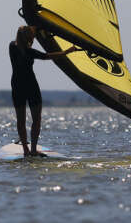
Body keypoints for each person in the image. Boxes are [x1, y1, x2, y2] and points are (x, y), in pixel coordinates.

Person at [9, 26, 80, 157]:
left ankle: (26, 150)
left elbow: (36, 49)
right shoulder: (29, 51)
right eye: (32, 36)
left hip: (18, 86)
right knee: (36, 119)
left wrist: (36, 27)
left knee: (21, 120)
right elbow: (47, 56)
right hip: (30, 86)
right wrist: (66, 52)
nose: (34, 37)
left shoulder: (12, 46)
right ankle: (33, 149)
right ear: (27, 38)